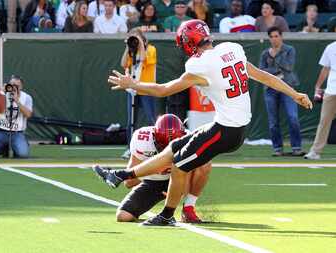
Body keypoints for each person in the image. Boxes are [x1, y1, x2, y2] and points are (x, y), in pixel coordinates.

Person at [94, 19, 312, 226]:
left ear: (189, 42)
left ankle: (167, 215)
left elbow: (163, 90)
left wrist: (133, 84)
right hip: (230, 125)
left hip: (227, 131)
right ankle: (120, 175)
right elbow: (263, 76)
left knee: (179, 165)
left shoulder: (199, 65)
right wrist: (295, 94)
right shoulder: (231, 49)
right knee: (174, 148)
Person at [114, 114, 211, 223]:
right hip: (153, 182)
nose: (167, 150)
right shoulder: (142, 140)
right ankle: (159, 217)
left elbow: (187, 182)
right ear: (154, 136)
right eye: (163, 146)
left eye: (172, 147)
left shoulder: (189, 139)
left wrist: (176, 187)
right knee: (123, 216)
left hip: (179, 179)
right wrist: (153, 168)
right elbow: (129, 182)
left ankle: (188, 209)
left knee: (205, 163)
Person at [259, 27, 304, 156]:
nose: (274, 39)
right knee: (273, 122)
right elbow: (261, 71)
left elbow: (289, 67)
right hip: (270, 89)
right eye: (271, 37)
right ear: (269, 38)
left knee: (293, 117)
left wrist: (274, 58)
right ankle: (277, 149)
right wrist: (277, 71)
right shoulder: (264, 54)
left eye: (276, 36)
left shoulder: (289, 50)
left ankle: (296, 148)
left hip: (288, 88)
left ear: (281, 37)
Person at [121, 28, 157, 159]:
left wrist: (141, 43)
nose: (135, 40)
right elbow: (123, 64)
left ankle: (155, 148)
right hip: (133, 90)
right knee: (131, 121)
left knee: (150, 119)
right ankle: (130, 149)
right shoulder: (132, 51)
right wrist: (127, 47)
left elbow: (143, 59)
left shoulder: (151, 49)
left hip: (147, 89)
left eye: (136, 38)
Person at [0, 76, 33, 158]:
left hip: (17, 133)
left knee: (23, 155)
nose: (13, 87)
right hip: (1, 131)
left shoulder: (26, 97)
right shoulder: (2, 94)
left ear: (21, 87)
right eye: (11, 84)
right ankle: (4, 148)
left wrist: (17, 101)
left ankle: (21, 144)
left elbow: (28, 115)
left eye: (16, 85)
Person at [304, 42, 336, 160]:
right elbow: (326, 68)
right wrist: (317, 86)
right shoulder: (330, 47)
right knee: (324, 122)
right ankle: (315, 152)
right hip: (331, 91)